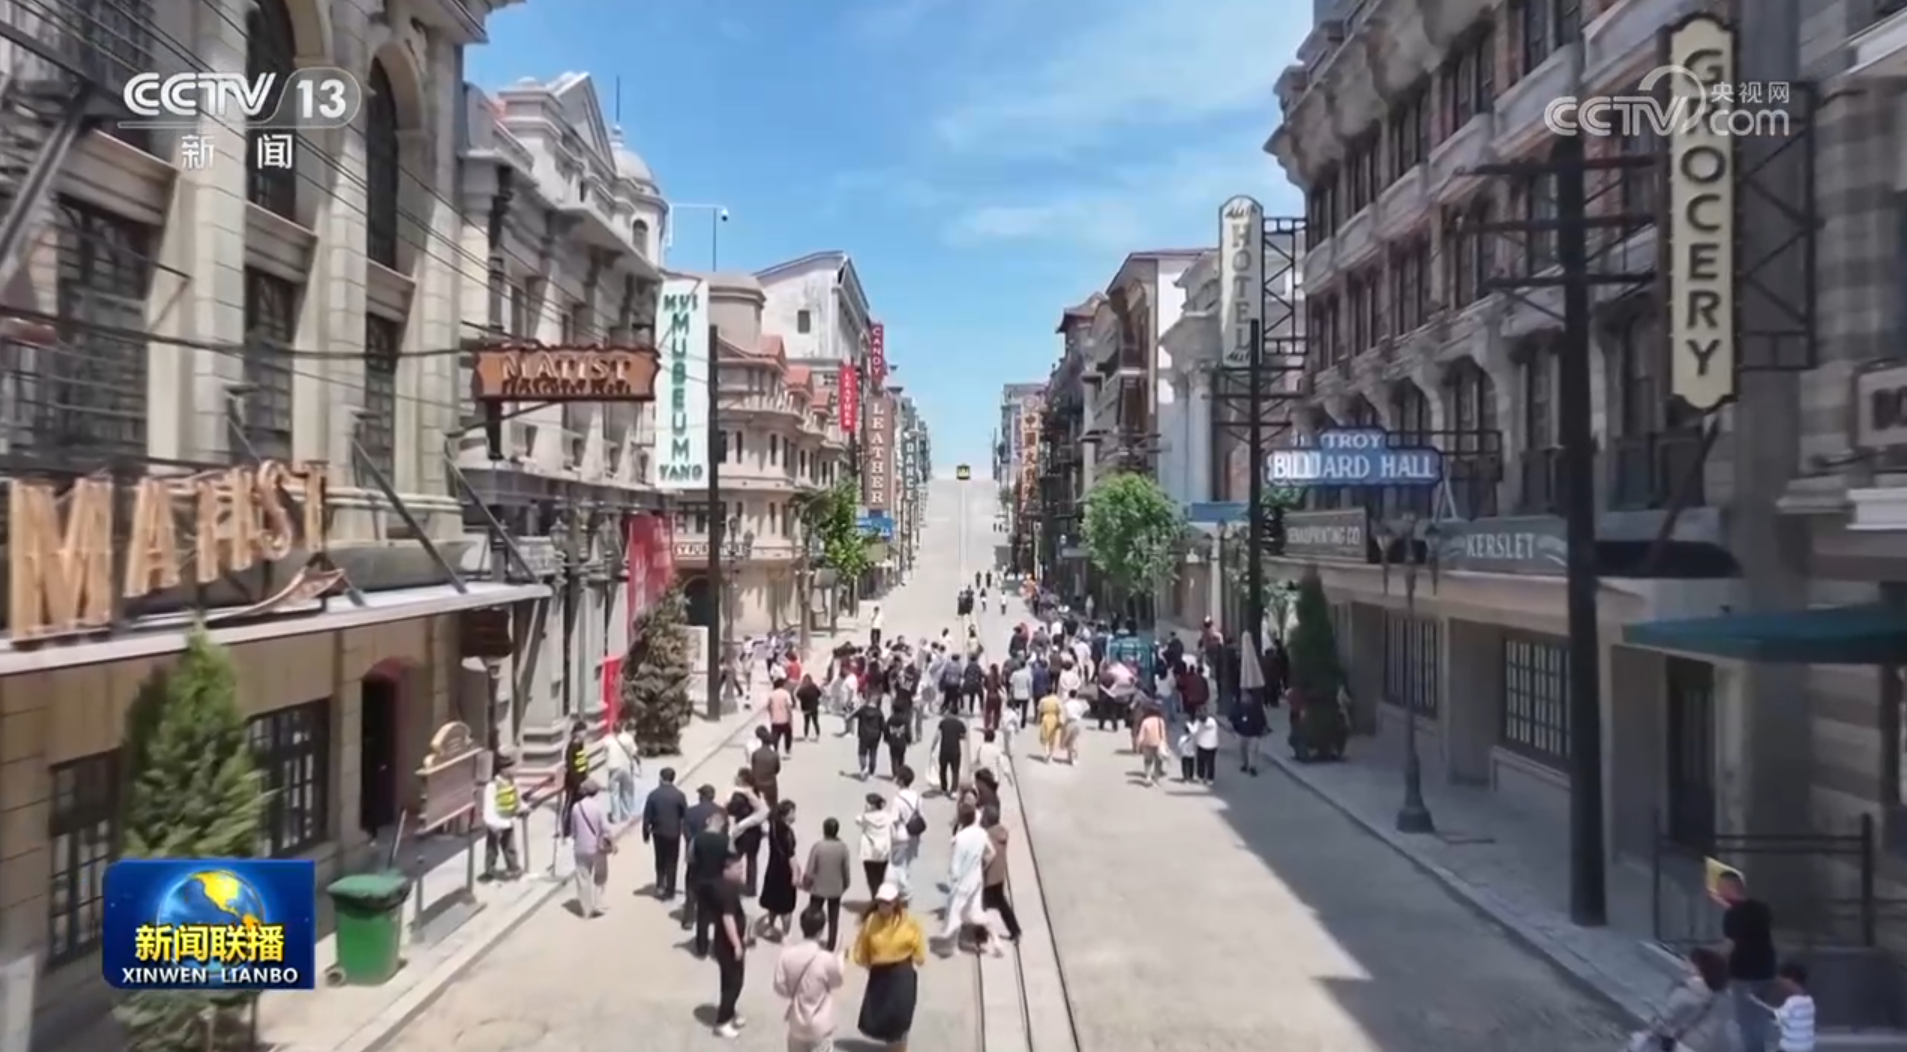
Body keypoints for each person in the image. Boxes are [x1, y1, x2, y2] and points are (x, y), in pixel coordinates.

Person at [852, 883, 927, 1051]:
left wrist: (919, 957)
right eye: (880, 902)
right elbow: (862, 946)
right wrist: (865, 962)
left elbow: (918, 942)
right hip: (880, 973)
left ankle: (900, 1046)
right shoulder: (871, 921)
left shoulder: (909, 921)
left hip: (902, 970)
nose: (883, 906)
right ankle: (893, 1044)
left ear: (895, 903)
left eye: (887, 902)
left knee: (902, 1012)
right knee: (884, 1015)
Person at [1715, 870, 1777, 1051]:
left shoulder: (1732, 914)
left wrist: (1713, 964)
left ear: (1731, 887)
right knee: (1760, 1015)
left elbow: (1730, 944)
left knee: (1745, 1019)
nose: (1718, 891)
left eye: (1720, 887)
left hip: (1743, 973)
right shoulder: (1762, 908)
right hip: (1766, 971)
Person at [774, 904, 845, 1052]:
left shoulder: (787, 955)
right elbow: (837, 982)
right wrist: (840, 957)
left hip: (796, 1024)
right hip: (820, 1025)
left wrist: (796, 993)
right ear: (821, 930)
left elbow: (779, 986)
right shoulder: (825, 958)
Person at [1636, 946, 1729, 1052]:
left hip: (1668, 1040)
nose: (1685, 962)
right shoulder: (1711, 996)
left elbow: (1667, 1016)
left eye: (1689, 961)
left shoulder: (1689, 989)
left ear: (1698, 967)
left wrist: (1651, 1031)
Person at [940, 803, 998, 955]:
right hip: (976, 879)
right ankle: (996, 939)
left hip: (962, 882)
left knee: (955, 913)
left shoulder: (960, 838)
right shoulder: (982, 833)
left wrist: (952, 878)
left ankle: (953, 947)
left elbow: (955, 865)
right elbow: (992, 853)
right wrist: (982, 866)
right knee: (974, 912)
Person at [710, 851, 753, 1038]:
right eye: (738, 868)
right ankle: (722, 1022)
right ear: (726, 870)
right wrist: (737, 944)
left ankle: (729, 1011)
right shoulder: (727, 890)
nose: (741, 871)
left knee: (729, 981)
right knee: (734, 983)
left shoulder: (728, 886)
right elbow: (727, 918)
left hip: (725, 942)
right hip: (727, 944)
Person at [803, 817, 853, 951]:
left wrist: (806, 884)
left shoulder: (818, 847)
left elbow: (810, 868)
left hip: (818, 888)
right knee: (833, 918)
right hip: (835, 888)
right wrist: (846, 884)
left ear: (824, 830)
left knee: (812, 915)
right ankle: (831, 944)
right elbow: (845, 869)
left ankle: (811, 938)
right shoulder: (843, 848)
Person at [688, 809, 732, 955]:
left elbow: (690, 858)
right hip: (719, 882)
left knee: (702, 915)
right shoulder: (726, 841)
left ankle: (701, 947)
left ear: (708, 822)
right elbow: (732, 861)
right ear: (722, 825)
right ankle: (718, 947)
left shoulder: (697, 839)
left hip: (701, 881)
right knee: (720, 915)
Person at [640, 766, 687, 900]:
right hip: (674, 833)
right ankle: (670, 889)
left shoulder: (653, 795)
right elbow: (685, 815)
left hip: (658, 832)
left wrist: (645, 833)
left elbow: (647, 816)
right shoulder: (679, 795)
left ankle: (660, 884)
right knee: (672, 861)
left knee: (660, 859)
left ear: (660, 778)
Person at [567, 779, 612, 918]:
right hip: (597, 848)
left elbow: (573, 830)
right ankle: (598, 904)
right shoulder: (598, 808)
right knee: (600, 877)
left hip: (580, 847)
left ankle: (586, 909)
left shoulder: (576, 807)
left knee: (583, 878)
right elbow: (605, 828)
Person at [978, 805, 1021, 946]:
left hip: (988, 876)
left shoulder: (987, 836)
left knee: (980, 906)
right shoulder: (1002, 832)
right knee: (1001, 904)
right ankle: (1015, 930)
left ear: (988, 820)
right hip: (999, 875)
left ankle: (981, 935)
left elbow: (985, 855)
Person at [758, 799, 801, 940]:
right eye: (793, 812)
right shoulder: (787, 832)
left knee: (772, 902)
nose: (794, 815)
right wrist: (795, 874)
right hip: (784, 872)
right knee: (786, 908)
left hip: (773, 868)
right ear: (786, 814)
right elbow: (791, 856)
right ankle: (785, 934)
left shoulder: (774, 825)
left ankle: (770, 926)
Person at [681, 785, 722, 930]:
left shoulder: (690, 812)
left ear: (701, 796)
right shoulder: (721, 812)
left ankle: (689, 919)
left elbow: (686, 832)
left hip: (695, 855)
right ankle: (712, 916)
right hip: (715, 857)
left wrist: (695, 844)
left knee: (691, 887)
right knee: (714, 887)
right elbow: (724, 834)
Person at [481, 752, 524, 881]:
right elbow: (489, 805)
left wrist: (522, 808)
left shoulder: (513, 783)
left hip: (508, 820)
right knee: (492, 850)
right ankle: (489, 871)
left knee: (510, 847)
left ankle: (513, 868)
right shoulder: (492, 786)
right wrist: (491, 822)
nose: (514, 770)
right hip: (496, 822)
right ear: (503, 769)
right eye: (512, 767)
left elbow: (517, 798)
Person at [728, 772, 770, 896]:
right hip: (755, 832)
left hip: (743, 833)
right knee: (752, 860)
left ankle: (733, 884)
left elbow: (732, 810)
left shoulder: (739, 795)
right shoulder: (757, 793)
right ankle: (751, 888)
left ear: (743, 780)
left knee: (734, 858)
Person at [887, 767, 926, 894]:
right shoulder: (917, 797)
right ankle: (903, 888)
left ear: (901, 781)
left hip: (901, 835)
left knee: (897, 866)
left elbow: (894, 820)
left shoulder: (898, 799)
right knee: (907, 864)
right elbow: (921, 815)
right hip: (914, 835)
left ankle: (905, 890)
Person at [856, 791, 895, 897]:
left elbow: (857, 820)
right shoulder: (887, 816)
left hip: (869, 852)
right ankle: (880, 896)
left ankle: (875, 896)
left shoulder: (865, 817)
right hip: (883, 851)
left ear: (872, 805)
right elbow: (893, 830)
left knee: (871, 878)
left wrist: (865, 812)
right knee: (881, 876)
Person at [1771, 960, 1815, 1052]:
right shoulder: (1809, 1001)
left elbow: (1778, 1018)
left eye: (1782, 982)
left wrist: (1774, 1013)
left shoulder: (1791, 1003)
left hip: (1790, 1048)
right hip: (1807, 1048)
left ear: (1790, 982)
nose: (1781, 986)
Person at [604, 719, 641, 823]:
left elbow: (605, 751)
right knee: (627, 791)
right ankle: (626, 815)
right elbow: (634, 753)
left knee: (614, 793)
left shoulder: (607, 739)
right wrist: (638, 763)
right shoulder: (628, 738)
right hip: (626, 767)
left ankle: (615, 817)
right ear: (622, 728)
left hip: (613, 767)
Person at [560, 720, 590, 838]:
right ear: (577, 732)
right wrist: (577, 783)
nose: (585, 734)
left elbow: (582, 762)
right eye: (584, 732)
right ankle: (566, 830)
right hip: (573, 784)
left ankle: (578, 827)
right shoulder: (571, 747)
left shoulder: (581, 745)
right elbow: (571, 767)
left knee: (581, 806)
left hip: (582, 780)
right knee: (569, 805)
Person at [1230, 689, 1267, 776]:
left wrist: (1262, 728)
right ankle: (1245, 764)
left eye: (1246, 696)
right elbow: (1233, 718)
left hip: (1254, 732)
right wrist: (1234, 727)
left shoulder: (1257, 708)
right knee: (1243, 750)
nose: (1244, 698)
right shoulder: (1238, 707)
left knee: (1253, 750)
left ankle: (1252, 767)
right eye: (1243, 696)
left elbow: (1262, 718)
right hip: (1242, 732)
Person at [933, 706, 968, 795]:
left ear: (949, 712)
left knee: (943, 769)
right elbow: (964, 737)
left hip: (944, 749)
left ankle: (944, 788)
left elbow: (937, 735)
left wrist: (933, 746)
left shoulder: (943, 722)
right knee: (955, 771)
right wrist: (957, 736)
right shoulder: (960, 724)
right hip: (955, 750)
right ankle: (954, 790)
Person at [1134, 704, 1168, 787]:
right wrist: (1165, 743)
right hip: (1158, 743)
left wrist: (1138, 745)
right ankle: (1156, 779)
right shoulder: (1160, 721)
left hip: (1147, 743)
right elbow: (1163, 734)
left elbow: (1141, 734)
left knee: (1148, 761)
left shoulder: (1145, 721)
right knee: (1158, 762)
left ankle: (1148, 776)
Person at [751, 726, 784, 809]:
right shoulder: (774, 755)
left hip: (757, 783)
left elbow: (753, 767)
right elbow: (777, 770)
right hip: (770, 784)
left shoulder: (756, 754)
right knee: (772, 805)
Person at [1189, 708, 1221, 784]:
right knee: (1210, 763)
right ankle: (1209, 778)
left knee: (1202, 762)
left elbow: (1193, 731)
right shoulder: (1212, 721)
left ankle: (1201, 777)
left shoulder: (1202, 722)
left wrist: (1189, 725)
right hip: (1211, 745)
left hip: (1203, 745)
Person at [767, 676, 796, 757]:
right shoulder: (786, 694)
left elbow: (768, 706)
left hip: (775, 720)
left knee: (775, 737)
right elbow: (789, 707)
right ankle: (787, 750)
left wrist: (771, 714)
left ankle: (775, 751)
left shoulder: (772, 694)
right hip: (785, 719)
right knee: (788, 736)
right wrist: (790, 718)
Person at [796, 673, 824, 741]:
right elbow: (819, 694)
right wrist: (815, 698)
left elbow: (797, 695)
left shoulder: (803, 688)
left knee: (806, 722)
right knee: (815, 722)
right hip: (814, 707)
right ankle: (817, 736)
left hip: (806, 707)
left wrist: (803, 699)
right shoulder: (814, 686)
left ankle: (806, 736)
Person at [1037, 692, 1064, 761]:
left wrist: (1038, 719)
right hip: (1054, 718)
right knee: (1053, 738)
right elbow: (1060, 711)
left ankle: (1046, 754)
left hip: (1045, 718)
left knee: (1045, 737)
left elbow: (1039, 711)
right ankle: (1051, 755)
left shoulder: (1043, 700)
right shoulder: (1056, 700)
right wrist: (1060, 720)